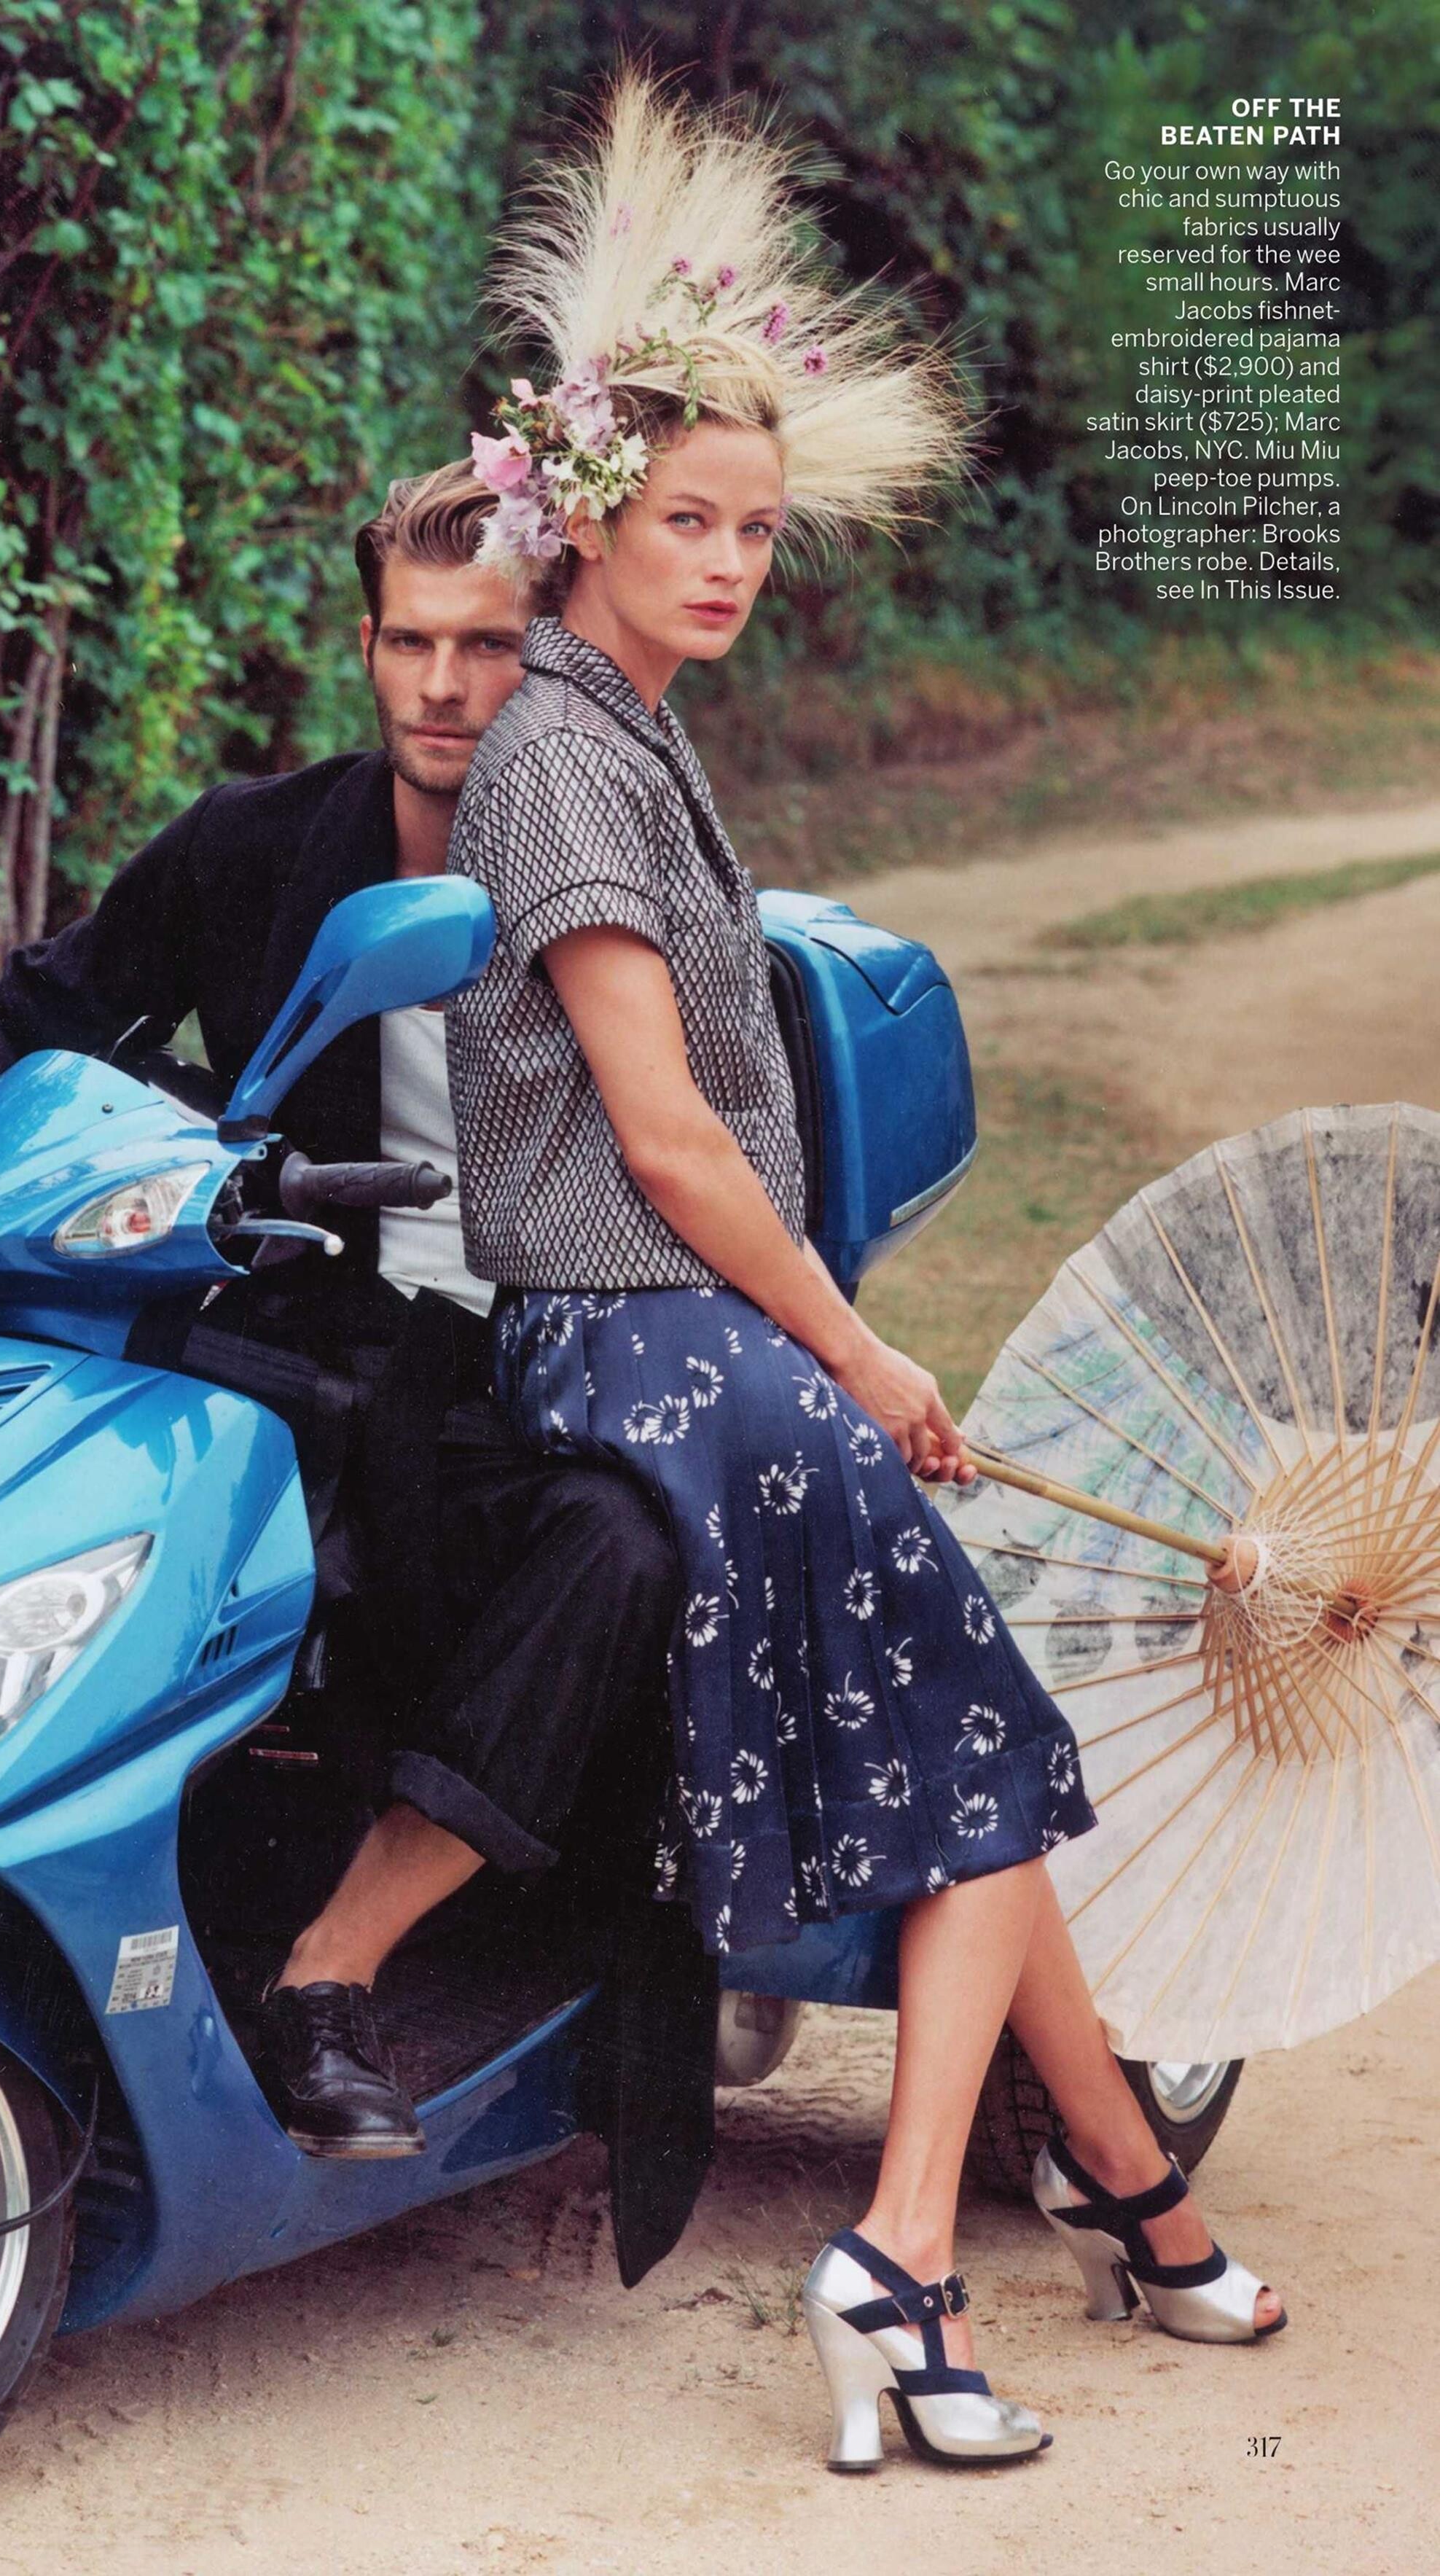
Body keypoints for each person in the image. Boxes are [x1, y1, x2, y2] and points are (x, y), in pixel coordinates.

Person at [443, 71, 1285, 2473]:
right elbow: (667, 1138)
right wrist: (860, 1342)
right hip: (649, 1349)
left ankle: (1126, 2200)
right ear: (588, 518)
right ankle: (918, 2252)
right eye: (690, 522)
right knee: (983, 1750)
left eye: (756, 528)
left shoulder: (627, 731)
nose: (731, 562)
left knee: (964, 1739)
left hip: (687, 1346)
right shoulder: (561, 760)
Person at [0, 462, 697, 2199]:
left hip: (524, 1373)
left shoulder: (626, 862)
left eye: (490, 646)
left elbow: (709, 1137)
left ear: (555, 653)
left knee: (615, 1544)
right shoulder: (253, 844)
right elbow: (37, 1008)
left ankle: (332, 1967)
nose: (443, 686)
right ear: (367, 644)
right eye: (409, 641)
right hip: (296, 1344)